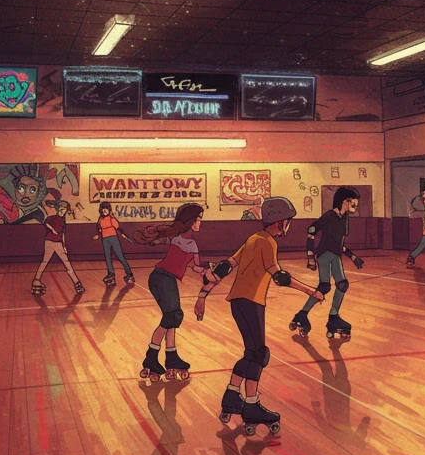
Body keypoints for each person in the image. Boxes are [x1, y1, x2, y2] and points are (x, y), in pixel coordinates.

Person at [195, 197, 322, 434]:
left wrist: (202, 295)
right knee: (258, 353)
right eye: (288, 221)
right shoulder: (267, 243)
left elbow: (225, 266)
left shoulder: (253, 239)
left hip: (240, 302)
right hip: (251, 302)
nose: (289, 225)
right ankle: (251, 405)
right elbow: (279, 276)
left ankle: (232, 397)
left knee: (251, 353)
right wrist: (310, 291)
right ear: (280, 221)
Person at [134, 203, 208, 381]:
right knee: (173, 316)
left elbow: (194, 267)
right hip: (162, 278)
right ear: (190, 221)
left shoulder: (178, 238)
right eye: (198, 220)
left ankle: (171, 357)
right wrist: (207, 271)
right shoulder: (189, 243)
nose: (200, 224)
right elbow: (197, 267)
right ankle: (151, 358)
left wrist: (154, 239)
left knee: (171, 318)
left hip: (162, 279)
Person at [290, 186, 363, 340]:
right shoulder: (329, 216)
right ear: (346, 201)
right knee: (325, 287)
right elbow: (311, 231)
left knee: (342, 284)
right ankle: (302, 315)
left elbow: (339, 244)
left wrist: (352, 256)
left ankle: (333, 317)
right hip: (324, 255)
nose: (356, 206)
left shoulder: (344, 219)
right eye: (354, 203)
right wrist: (310, 256)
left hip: (335, 255)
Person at [30, 199, 84, 297]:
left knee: (55, 262)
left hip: (57, 243)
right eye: (61, 209)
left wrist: (64, 246)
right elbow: (45, 222)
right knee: (61, 263)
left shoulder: (63, 221)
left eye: (65, 210)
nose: (63, 211)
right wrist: (53, 230)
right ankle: (76, 282)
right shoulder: (52, 218)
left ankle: (36, 280)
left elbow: (63, 234)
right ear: (58, 209)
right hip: (50, 242)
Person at [92, 200, 135, 286]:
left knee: (120, 256)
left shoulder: (112, 219)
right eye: (103, 209)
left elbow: (118, 228)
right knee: (108, 257)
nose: (104, 211)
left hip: (113, 239)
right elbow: (99, 229)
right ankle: (111, 275)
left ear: (109, 210)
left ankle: (129, 274)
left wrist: (123, 235)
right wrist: (97, 235)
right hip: (105, 240)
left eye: (106, 209)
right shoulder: (100, 219)